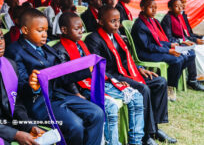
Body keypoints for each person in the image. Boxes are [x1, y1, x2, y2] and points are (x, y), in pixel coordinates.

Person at [5, 9, 104, 145]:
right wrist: (33, 86)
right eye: (40, 30)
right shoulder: (14, 51)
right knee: (76, 126)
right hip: (38, 102)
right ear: (25, 30)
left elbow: (61, 76)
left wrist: (86, 70)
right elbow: (19, 86)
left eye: (46, 30)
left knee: (97, 113)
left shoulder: (46, 48)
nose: (45, 34)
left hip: (59, 95)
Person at [85, 6, 176, 145]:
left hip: (126, 71)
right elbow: (98, 69)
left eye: (118, 20)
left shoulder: (116, 36)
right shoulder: (94, 39)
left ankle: (155, 128)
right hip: (112, 77)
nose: (117, 24)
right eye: (113, 21)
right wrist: (117, 80)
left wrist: (139, 68)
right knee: (142, 89)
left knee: (160, 82)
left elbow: (126, 59)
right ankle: (146, 136)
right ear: (101, 22)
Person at [53, 12, 144, 145]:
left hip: (98, 81)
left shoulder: (81, 45)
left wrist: (114, 81)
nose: (81, 31)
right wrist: (76, 94)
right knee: (110, 107)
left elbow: (97, 67)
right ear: (64, 30)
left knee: (136, 97)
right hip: (82, 88)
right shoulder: (60, 50)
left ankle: (136, 141)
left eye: (81, 28)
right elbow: (66, 76)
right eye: (76, 29)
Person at [131, 0, 204, 100]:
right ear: (142, 8)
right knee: (176, 59)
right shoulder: (140, 25)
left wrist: (171, 45)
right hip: (144, 53)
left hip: (152, 50)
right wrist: (169, 50)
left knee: (184, 55)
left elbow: (157, 41)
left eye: (155, 8)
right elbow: (148, 46)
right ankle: (169, 87)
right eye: (151, 8)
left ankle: (172, 81)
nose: (154, 11)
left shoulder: (149, 21)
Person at [161, 0, 204, 91]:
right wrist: (181, 42)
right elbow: (168, 38)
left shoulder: (178, 18)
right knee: (190, 52)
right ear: (170, 8)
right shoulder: (167, 19)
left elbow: (185, 35)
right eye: (177, 6)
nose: (180, 8)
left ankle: (191, 78)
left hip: (179, 43)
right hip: (171, 45)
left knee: (191, 52)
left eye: (181, 6)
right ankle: (191, 79)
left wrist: (188, 41)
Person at [172, 0, 204, 81]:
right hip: (182, 43)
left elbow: (189, 33)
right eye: (182, 2)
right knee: (197, 50)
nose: (184, 5)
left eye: (185, 2)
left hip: (189, 40)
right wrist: (195, 40)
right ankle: (196, 77)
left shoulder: (183, 16)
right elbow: (180, 36)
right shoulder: (172, 18)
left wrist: (199, 37)